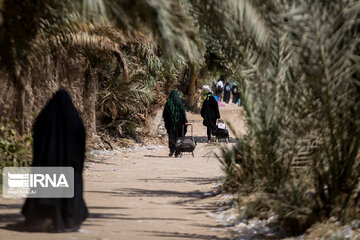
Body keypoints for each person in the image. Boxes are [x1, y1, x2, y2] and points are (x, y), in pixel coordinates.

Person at [21, 89, 88, 232]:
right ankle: (68, 219)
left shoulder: (44, 118)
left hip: (46, 165)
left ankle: (42, 217)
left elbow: (38, 141)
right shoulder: (74, 121)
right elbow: (80, 144)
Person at [163, 90, 188, 157]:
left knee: (171, 136)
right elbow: (183, 113)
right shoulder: (180, 102)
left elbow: (165, 114)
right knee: (179, 136)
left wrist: (167, 122)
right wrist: (185, 121)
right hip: (179, 123)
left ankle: (172, 149)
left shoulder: (168, 103)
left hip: (170, 123)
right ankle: (178, 151)